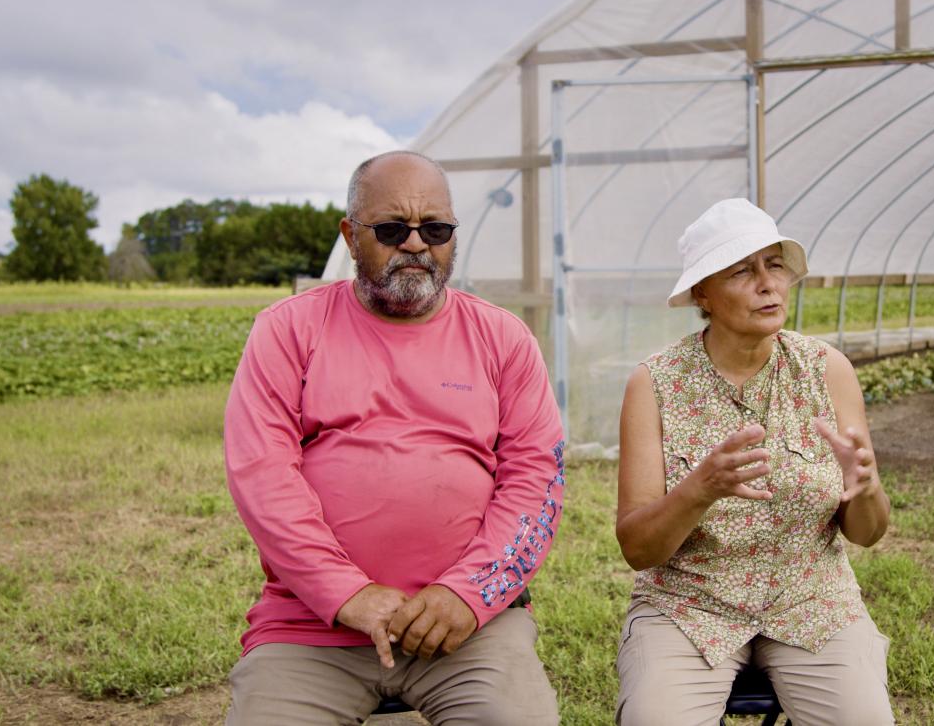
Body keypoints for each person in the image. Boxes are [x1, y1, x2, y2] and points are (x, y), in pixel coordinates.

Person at [222, 150, 564, 725]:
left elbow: (537, 482)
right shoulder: (287, 330)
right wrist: (345, 594)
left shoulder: (504, 338)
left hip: (470, 628)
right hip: (313, 628)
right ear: (351, 237)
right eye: (390, 229)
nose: (415, 244)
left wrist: (467, 595)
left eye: (435, 228)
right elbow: (263, 478)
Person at [614, 198, 896, 725]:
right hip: (688, 606)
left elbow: (867, 533)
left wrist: (866, 489)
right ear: (703, 293)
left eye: (775, 265)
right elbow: (637, 547)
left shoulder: (826, 370)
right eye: (743, 270)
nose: (768, 283)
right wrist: (699, 489)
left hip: (811, 600)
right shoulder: (655, 383)